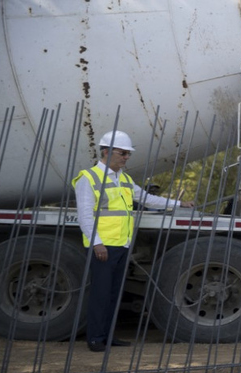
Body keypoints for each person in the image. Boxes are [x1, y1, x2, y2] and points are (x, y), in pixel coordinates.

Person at [72, 130, 194, 352]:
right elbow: (85, 215)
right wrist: (96, 243)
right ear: (107, 152)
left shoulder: (124, 179)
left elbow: (147, 199)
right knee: (100, 294)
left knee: (113, 294)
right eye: (123, 153)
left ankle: (108, 336)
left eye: (128, 154)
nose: (127, 157)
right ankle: (95, 339)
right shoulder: (87, 179)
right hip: (103, 247)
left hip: (121, 245)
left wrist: (177, 204)